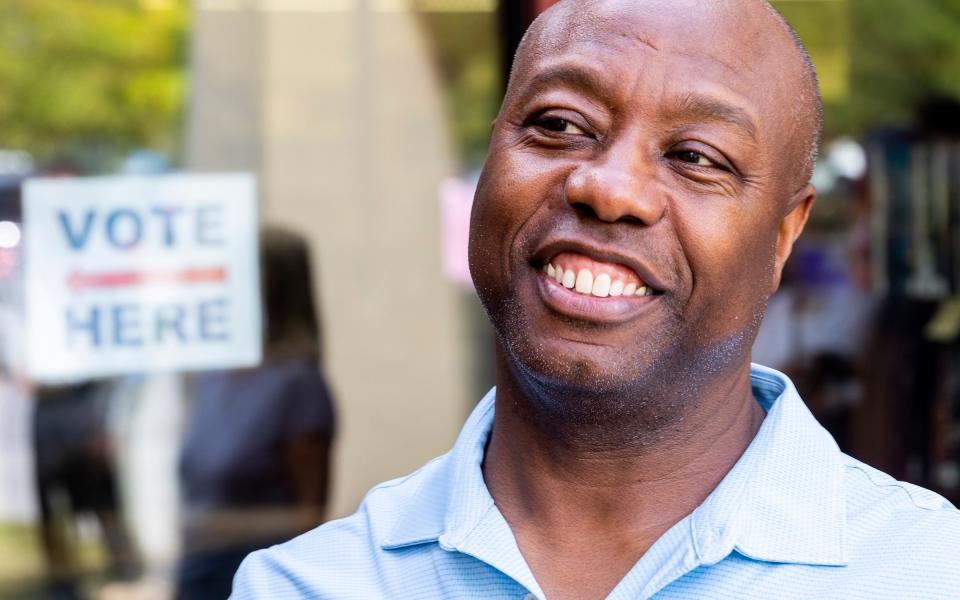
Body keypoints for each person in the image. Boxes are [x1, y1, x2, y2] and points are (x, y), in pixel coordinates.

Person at [231, 1, 960, 598]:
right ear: (491, 160)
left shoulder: (927, 572)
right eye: (558, 124)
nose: (608, 188)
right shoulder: (308, 586)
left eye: (696, 157)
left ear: (783, 236)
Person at [177, 226, 336, 599]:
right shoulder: (216, 374)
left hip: (251, 580)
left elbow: (307, 518)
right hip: (197, 573)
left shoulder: (296, 385)